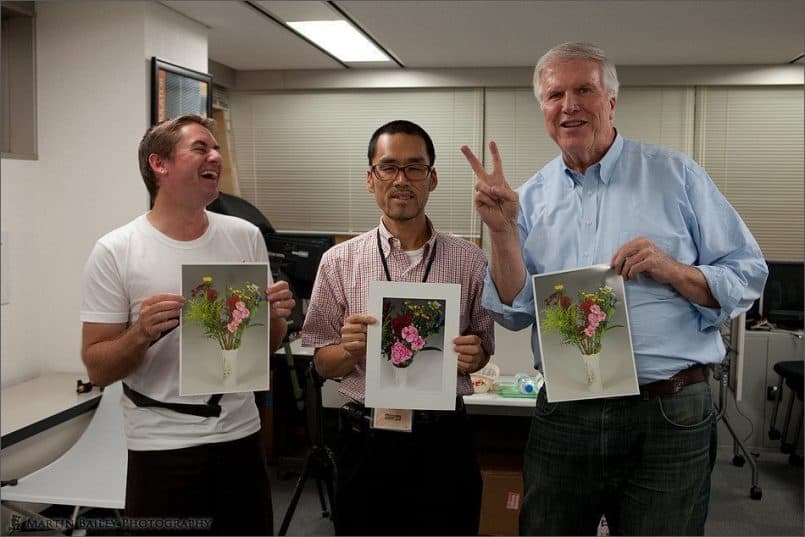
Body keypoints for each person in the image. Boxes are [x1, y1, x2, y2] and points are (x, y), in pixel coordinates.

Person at [461, 42, 768, 536]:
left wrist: (673, 270)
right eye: (555, 95)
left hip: (668, 410)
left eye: (584, 90)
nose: (569, 105)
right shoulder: (528, 199)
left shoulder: (677, 176)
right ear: (543, 108)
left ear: (611, 102)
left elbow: (748, 273)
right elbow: (515, 310)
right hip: (567, 412)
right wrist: (501, 232)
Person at [80, 114, 295, 535]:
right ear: (159, 164)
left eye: (216, 148)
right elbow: (97, 368)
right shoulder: (116, 250)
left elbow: (264, 347)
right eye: (200, 148)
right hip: (161, 445)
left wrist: (275, 317)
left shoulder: (245, 236)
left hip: (240, 437)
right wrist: (140, 333)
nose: (215, 156)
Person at [301, 119, 495, 535]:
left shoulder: (469, 260)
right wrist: (348, 350)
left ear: (432, 178)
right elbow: (321, 363)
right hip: (366, 439)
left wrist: (475, 355)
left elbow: (482, 351)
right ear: (370, 178)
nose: (401, 179)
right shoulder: (339, 262)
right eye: (388, 167)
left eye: (414, 167)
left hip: (443, 439)